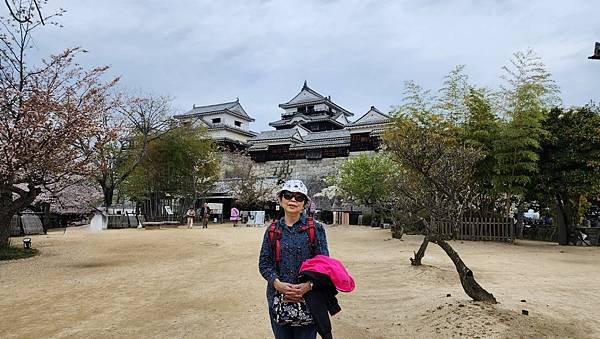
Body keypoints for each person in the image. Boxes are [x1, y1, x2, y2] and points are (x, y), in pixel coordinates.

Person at [258, 179, 329, 339]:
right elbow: (264, 263)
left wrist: (308, 285)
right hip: (279, 298)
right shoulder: (272, 230)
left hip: (308, 299)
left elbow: (324, 264)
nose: (293, 200)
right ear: (281, 199)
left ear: (305, 203)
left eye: (299, 197)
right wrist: (277, 283)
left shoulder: (315, 229)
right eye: (288, 195)